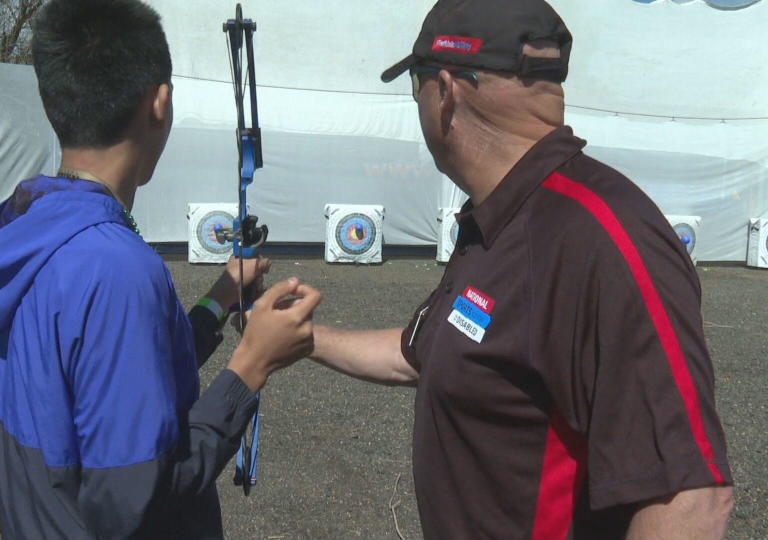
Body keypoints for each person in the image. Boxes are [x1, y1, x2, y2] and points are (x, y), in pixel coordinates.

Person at [309, 0, 734, 538]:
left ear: (444, 91)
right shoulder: (500, 216)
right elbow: (429, 351)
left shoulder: (603, 235)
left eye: (414, 85)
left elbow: (690, 498)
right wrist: (307, 339)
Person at [0, 0, 321, 538]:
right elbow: (134, 503)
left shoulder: (27, 226)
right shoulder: (115, 268)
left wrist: (219, 300)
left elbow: (119, 381)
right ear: (160, 103)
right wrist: (250, 367)